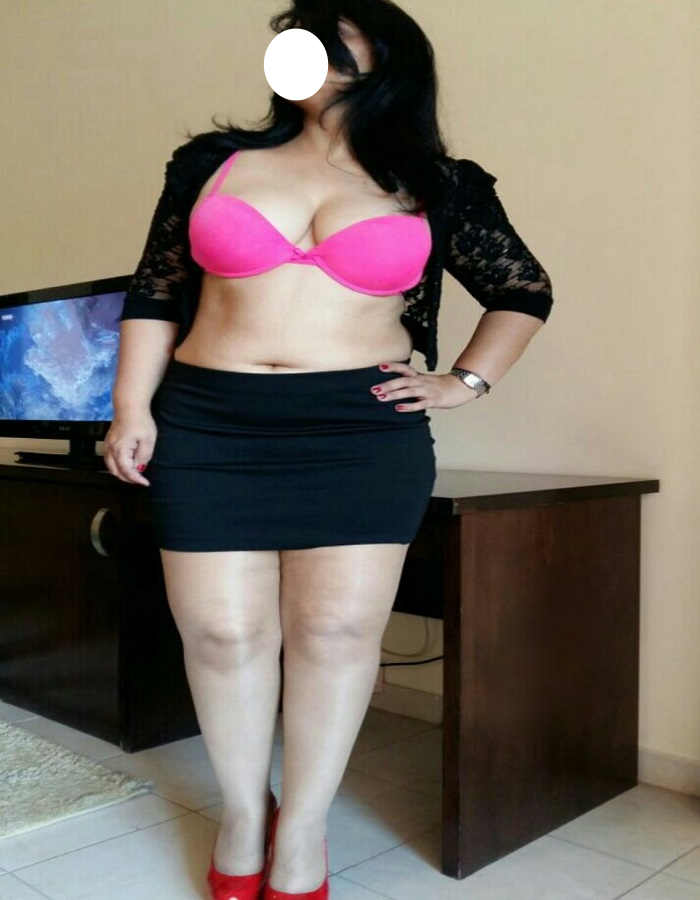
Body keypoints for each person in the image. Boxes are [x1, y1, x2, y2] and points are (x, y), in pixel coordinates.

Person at [104, 2, 554, 898]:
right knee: (222, 633)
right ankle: (244, 812)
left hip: (358, 430)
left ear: (385, 60)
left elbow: (523, 290)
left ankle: (303, 829)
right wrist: (129, 408)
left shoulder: (437, 182)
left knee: (337, 633)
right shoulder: (212, 164)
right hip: (210, 421)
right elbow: (155, 291)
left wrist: (464, 382)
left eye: (327, 39)